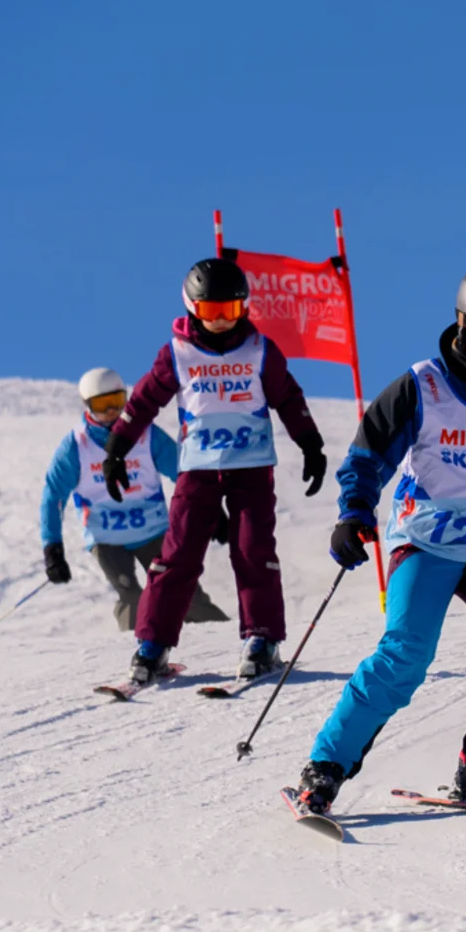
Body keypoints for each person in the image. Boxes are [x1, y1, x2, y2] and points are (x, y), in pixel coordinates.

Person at [291, 266, 466, 816]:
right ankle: (326, 765)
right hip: (424, 541)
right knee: (406, 653)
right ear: (464, 325)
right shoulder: (423, 385)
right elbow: (368, 454)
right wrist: (354, 513)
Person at [101, 258, 326, 685]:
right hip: (198, 470)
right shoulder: (177, 353)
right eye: (210, 312)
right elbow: (144, 403)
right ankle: (152, 646)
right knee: (177, 557)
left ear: (244, 307)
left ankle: (261, 639)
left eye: (229, 311)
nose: (220, 322)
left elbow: (288, 397)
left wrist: (310, 443)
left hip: (252, 469)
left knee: (253, 551)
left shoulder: (259, 349)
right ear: (191, 307)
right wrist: (116, 450)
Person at [40, 367, 227, 630]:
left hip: (153, 532)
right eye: (102, 405)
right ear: (87, 406)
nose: (111, 412)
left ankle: (228, 641)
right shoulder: (76, 446)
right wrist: (52, 549)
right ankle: (135, 654)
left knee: (182, 592)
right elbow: (53, 496)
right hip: (106, 539)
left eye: (116, 402)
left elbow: (183, 471)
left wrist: (212, 509)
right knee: (132, 595)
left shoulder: (147, 435)